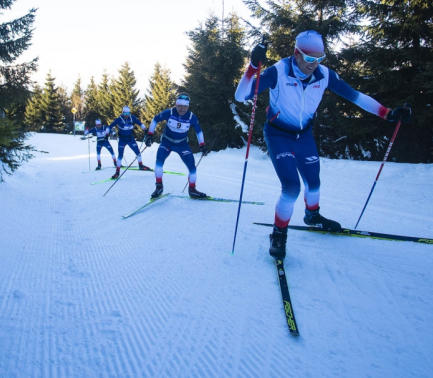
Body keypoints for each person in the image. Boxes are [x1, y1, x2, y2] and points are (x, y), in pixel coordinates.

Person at [234, 30, 412, 259]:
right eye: (309, 58)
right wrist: (252, 66)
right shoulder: (279, 70)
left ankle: (312, 215)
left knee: (314, 183)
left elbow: (355, 96)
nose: (314, 64)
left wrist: (387, 114)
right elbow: (241, 96)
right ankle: (279, 232)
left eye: (320, 58)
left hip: (304, 135)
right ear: (296, 53)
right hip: (278, 134)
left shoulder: (324, 75)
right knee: (291, 188)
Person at [145, 93, 209, 199]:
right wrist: (150, 135)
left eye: (185, 106)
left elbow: (199, 131)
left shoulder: (192, 117)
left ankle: (192, 190)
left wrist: (202, 145)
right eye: (179, 106)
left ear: (188, 106)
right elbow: (155, 119)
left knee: (192, 168)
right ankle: (159, 187)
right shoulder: (169, 112)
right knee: (158, 163)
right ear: (176, 104)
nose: (182, 109)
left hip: (182, 144)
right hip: (167, 142)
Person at [108, 106, 149, 179]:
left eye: (128, 113)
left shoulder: (132, 117)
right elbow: (110, 126)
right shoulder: (119, 119)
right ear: (122, 112)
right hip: (122, 140)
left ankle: (141, 165)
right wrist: (108, 132)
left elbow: (139, 123)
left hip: (130, 139)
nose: (127, 115)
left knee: (138, 152)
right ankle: (117, 172)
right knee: (120, 155)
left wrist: (144, 128)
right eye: (125, 113)